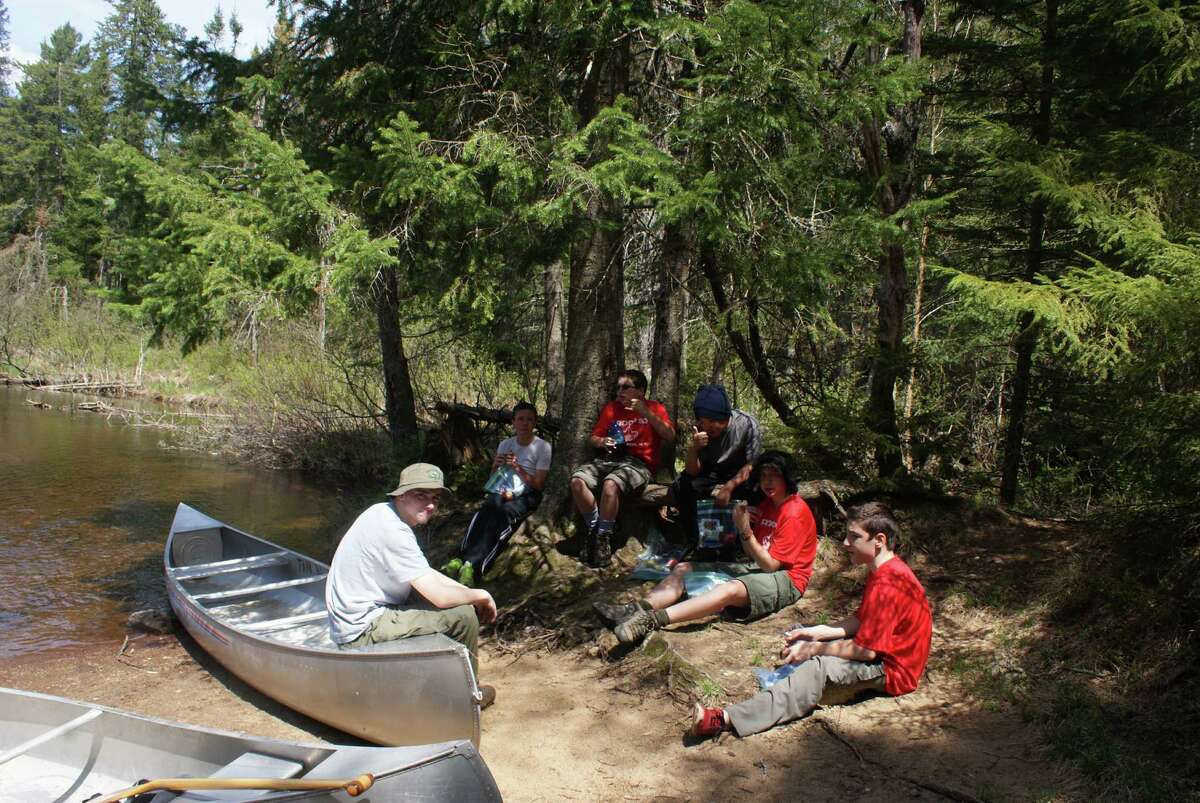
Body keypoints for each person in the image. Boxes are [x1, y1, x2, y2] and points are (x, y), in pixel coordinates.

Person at [689, 501, 932, 738]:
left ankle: (725, 719)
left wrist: (815, 649)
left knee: (818, 668)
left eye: (854, 537)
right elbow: (861, 619)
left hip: (893, 672)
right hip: (882, 657)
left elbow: (867, 651)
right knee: (814, 657)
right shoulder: (883, 570)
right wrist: (818, 631)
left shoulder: (889, 583)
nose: (846, 543)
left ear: (879, 540)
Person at [598, 450, 817, 644]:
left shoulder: (794, 512)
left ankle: (651, 621)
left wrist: (745, 531)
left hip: (788, 579)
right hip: (760, 567)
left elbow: (770, 566)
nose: (768, 482)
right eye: (764, 476)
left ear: (786, 478)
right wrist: (746, 526)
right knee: (684, 568)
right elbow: (754, 553)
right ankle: (635, 609)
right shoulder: (768, 505)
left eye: (774, 476)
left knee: (729, 589)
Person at [326, 463, 499, 707]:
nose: (430, 504)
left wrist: (467, 592)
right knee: (463, 616)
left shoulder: (381, 512)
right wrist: (479, 594)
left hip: (359, 615)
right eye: (421, 495)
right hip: (360, 631)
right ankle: (467, 697)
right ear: (402, 494)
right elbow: (440, 597)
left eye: (435, 498)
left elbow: (425, 573)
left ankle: (442, 679)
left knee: (455, 601)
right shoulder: (393, 531)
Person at [570, 369, 674, 566]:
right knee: (577, 481)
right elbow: (593, 438)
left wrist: (645, 412)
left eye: (625, 387)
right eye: (618, 387)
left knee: (611, 484)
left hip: (639, 464)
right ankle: (594, 529)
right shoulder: (612, 409)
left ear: (640, 391)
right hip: (610, 460)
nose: (620, 392)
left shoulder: (654, 407)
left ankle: (603, 538)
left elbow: (670, 436)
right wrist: (603, 442)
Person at [441, 402, 551, 587]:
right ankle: (460, 559)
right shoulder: (505, 444)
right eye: (520, 419)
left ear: (535, 423)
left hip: (527, 494)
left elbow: (539, 485)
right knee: (485, 511)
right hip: (503, 489)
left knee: (502, 516)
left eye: (529, 419)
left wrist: (518, 467)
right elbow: (493, 479)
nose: (525, 423)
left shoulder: (543, 447)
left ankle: (474, 566)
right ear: (513, 422)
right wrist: (496, 465)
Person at [670, 384, 762, 557]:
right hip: (712, 470)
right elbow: (692, 472)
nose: (709, 427)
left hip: (740, 469)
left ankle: (742, 543)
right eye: (704, 421)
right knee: (681, 485)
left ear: (725, 416)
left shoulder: (747, 424)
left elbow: (752, 464)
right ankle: (697, 540)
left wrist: (729, 487)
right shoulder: (700, 429)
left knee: (755, 487)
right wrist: (694, 449)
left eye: (713, 421)